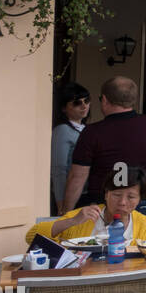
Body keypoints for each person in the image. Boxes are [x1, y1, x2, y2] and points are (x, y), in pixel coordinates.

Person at [61, 76, 146, 213]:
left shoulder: (93, 132)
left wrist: (66, 213)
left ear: (105, 100)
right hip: (138, 201)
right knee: (138, 234)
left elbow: (77, 177)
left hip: (104, 204)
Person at [26, 164, 146, 247]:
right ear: (106, 194)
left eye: (131, 197)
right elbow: (31, 236)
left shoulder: (143, 224)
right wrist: (73, 221)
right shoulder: (83, 216)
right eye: (117, 194)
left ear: (139, 200)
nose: (122, 202)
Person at [51, 82, 91, 215]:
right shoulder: (62, 130)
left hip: (85, 193)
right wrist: (61, 203)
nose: (84, 106)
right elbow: (59, 169)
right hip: (70, 197)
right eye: (76, 103)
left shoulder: (87, 129)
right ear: (64, 108)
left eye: (86, 100)